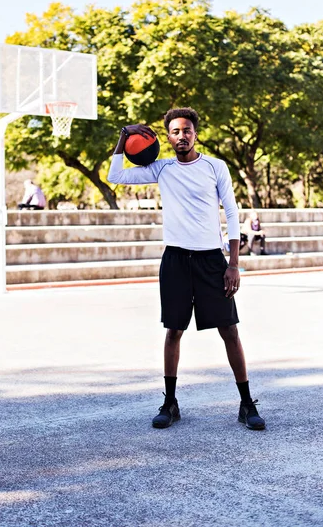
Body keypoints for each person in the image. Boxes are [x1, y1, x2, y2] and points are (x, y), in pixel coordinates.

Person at [108, 107, 265, 431]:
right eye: (175, 132)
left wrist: (233, 264)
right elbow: (116, 175)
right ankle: (170, 402)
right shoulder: (162, 169)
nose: (182, 136)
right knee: (173, 331)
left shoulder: (214, 167)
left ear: (195, 134)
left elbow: (233, 215)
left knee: (230, 331)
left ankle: (246, 403)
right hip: (176, 260)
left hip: (211, 260)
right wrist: (124, 137)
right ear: (167, 137)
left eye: (187, 131)